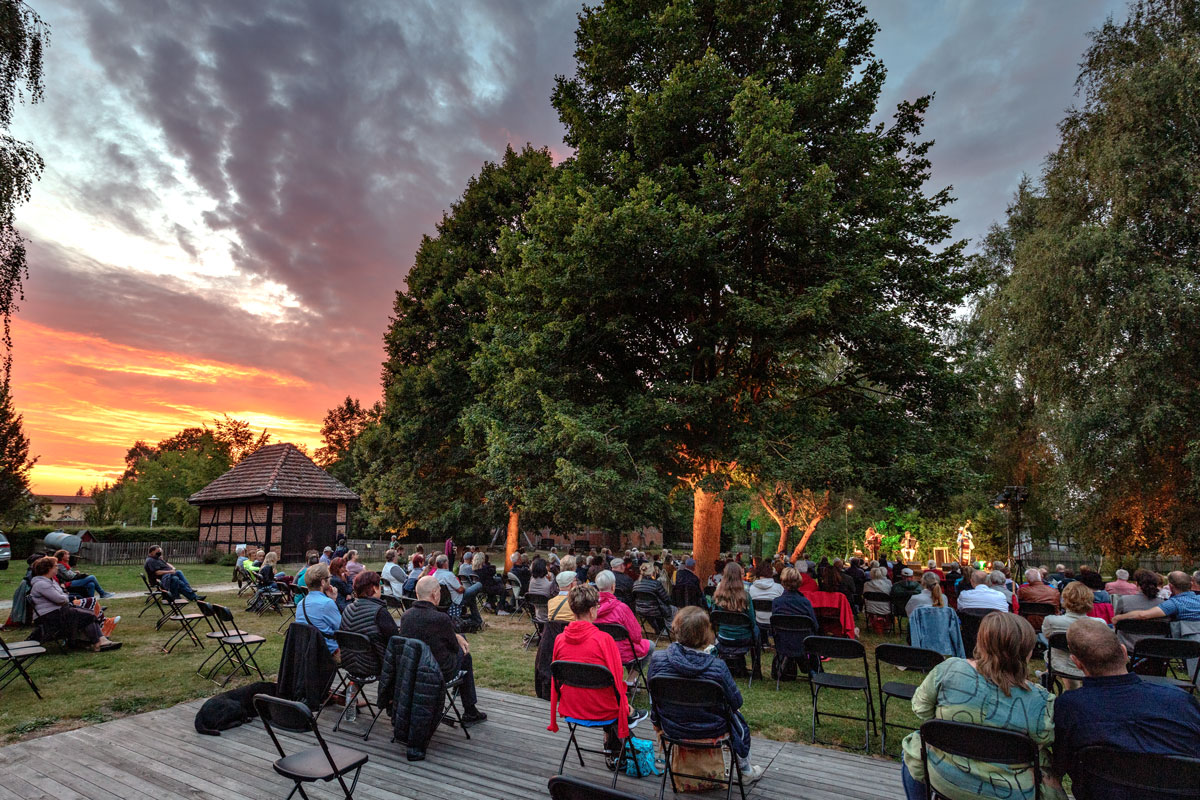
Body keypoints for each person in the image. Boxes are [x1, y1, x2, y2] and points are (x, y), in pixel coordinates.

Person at [900, 614, 1063, 800]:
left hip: (946, 778)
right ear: (1027, 652)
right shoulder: (1040, 701)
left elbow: (921, 709)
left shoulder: (949, 670)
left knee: (914, 746)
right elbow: (1045, 738)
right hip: (1011, 791)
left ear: (982, 642)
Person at [1052, 618, 1200, 800]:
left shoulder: (1069, 707)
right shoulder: (1180, 701)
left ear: (1077, 663)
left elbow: (1060, 765)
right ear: (1124, 652)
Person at [647, 606, 766, 783]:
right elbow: (736, 702)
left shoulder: (657, 660)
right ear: (706, 633)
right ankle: (745, 769)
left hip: (672, 726)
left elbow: (653, 698)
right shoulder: (717, 667)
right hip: (712, 728)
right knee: (737, 718)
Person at [548, 583, 645, 763]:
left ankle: (615, 739)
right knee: (623, 709)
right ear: (593, 610)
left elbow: (556, 681)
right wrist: (625, 709)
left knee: (615, 702)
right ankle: (618, 741)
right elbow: (617, 682)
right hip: (602, 709)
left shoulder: (560, 640)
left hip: (572, 706)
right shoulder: (603, 640)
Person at [394, 575, 487, 724]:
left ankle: (464, 698)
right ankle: (469, 709)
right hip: (438, 671)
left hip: (413, 668)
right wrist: (458, 638)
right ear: (434, 594)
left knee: (460, 638)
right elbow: (453, 647)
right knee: (465, 655)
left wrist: (456, 636)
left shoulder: (406, 617)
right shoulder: (440, 619)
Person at [30, 556, 120, 651]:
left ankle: (99, 640)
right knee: (87, 615)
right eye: (55, 566)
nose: (57, 568)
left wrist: (64, 596)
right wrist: (65, 596)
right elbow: (60, 599)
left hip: (58, 612)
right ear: (48, 568)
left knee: (88, 613)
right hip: (50, 616)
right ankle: (97, 642)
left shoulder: (49, 581)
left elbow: (63, 595)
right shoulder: (42, 584)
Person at [594, 569, 653, 678]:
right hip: (620, 652)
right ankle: (631, 679)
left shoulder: (591, 607)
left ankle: (632, 681)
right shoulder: (621, 608)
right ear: (613, 586)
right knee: (651, 645)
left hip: (600, 650)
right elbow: (636, 636)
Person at [1041, 581, 1094, 688]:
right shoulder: (1099, 623)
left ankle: (1046, 674)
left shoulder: (1051, 621)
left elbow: (1048, 637)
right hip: (1089, 666)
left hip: (1060, 665)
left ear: (1064, 598)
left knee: (1058, 653)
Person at [711, 562, 760, 675]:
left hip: (723, 636)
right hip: (743, 638)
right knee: (757, 630)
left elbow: (714, 618)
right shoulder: (746, 596)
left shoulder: (717, 596)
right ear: (739, 576)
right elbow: (752, 622)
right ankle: (756, 667)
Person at [339, 570, 398, 659]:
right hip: (376, 663)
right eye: (379, 586)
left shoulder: (348, 609)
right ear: (374, 588)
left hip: (349, 662)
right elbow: (395, 640)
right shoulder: (379, 612)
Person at [1114, 570, 1200, 624]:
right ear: (1191, 584)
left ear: (1170, 586)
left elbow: (1143, 615)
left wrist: (1119, 617)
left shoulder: (1172, 604)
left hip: (1190, 642)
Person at [296, 563, 342, 656]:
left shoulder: (301, 604)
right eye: (329, 577)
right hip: (327, 652)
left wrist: (332, 599)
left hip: (306, 650)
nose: (330, 580)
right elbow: (341, 629)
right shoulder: (326, 603)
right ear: (323, 582)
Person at [434, 553, 483, 627]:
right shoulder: (448, 575)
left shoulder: (434, 575)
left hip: (444, 600)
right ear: (445, 563)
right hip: (456, 599)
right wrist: (463, 587)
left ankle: (478, 621)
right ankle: (478, 621)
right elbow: (460, 590)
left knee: (471, 598)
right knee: (479, 584)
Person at [747, 561, 783, 626]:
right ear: (772, 572)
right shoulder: (779, 588)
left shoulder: (751, 589)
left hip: (758, 623)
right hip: (774, 624)